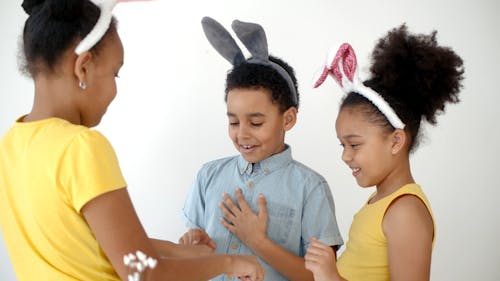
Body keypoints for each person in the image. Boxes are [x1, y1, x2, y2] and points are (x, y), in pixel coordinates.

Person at [0, 1, 265, 281]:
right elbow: (144, 273)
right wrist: (230, 263)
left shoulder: (10, 146)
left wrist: (183, 252)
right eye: (115, 73)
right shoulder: (79, 148)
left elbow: (103, 244)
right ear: (83, 67)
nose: (115, 88)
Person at [179, 17, 344, 281]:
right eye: (233, 121)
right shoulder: (207, 176)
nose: (242, 133)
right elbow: (190, 258)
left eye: (256, 122)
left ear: (288, 119)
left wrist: (257, 240)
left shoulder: (310, 188)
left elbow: (320, 277)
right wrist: (190, 245)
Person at [305, 25, 464, 281]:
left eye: (354, 144)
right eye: (342, 145)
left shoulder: (405, 213)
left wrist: (330, 276)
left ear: (395, 141)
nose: (345, 156)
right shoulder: (381, 201)